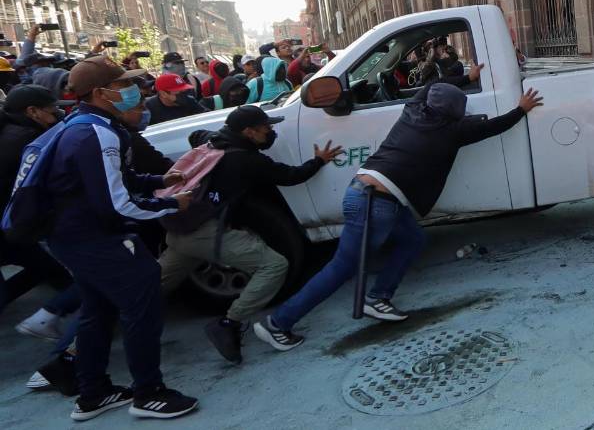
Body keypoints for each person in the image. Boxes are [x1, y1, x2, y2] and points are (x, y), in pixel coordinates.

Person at [256, 82, 543, 350]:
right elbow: (494, 127)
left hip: (367, 194)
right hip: (376, 205)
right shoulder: (452, 132)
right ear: (455, 114)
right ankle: (278, 323)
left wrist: (466, 77)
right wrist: (521, 109)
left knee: (412, 240)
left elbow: (428, 87)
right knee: (340, 269)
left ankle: (378, 297)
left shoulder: (412, 111)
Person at [44, 56, 198, 420]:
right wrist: (170, 204)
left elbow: (114, 180)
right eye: (123, 85)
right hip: (96, 237)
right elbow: (117, 204)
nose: (133, 91)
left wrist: (159, 180)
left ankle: (93, 393)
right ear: (101, 93)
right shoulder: (97, 133)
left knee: (97, 310)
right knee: (142, 306)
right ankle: (149, 393)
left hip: (72, 237)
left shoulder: (83, 124)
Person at [159, 106, 343, 363]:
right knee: (274, 266)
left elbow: (195, 135)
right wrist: (319, 160)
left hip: (179, 230)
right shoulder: (247, 160)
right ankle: (228, 323)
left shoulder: (213, 140)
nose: (271, 132)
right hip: (205, 234)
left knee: (149, 289)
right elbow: (290, 176)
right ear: (248, 132)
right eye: (266, 128)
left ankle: (119, 324)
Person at [0, 85, 76, 336]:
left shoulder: (16, 133)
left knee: (45, 269)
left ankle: (57, 315)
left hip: (12, 223)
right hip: (13, 223)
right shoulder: (26, 140)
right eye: (52, 110)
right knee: (54, 271)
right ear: (32, 111)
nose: (57, 115)